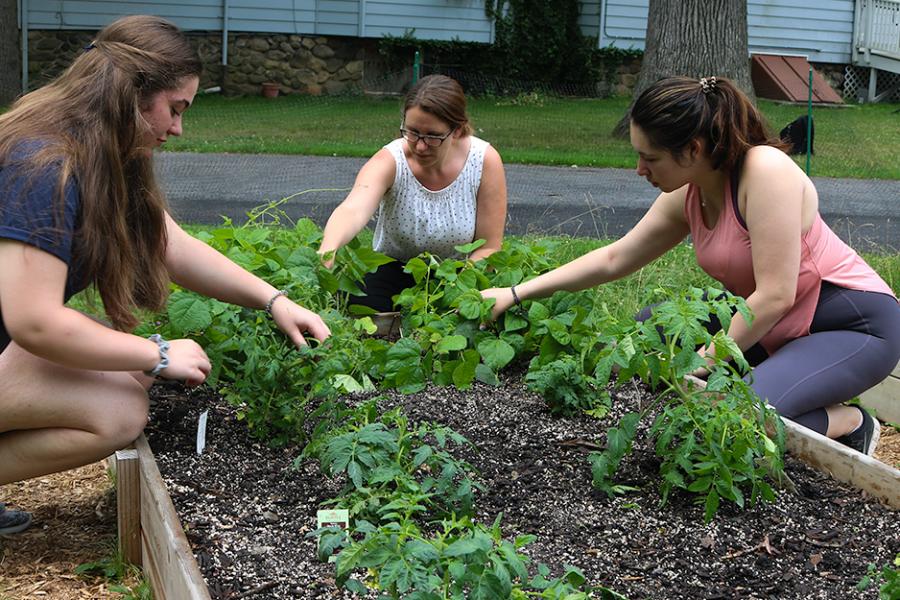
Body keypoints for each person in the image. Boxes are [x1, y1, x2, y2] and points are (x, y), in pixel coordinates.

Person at [0, 15, 330, 532]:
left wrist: (274, 300)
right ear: (130, 95)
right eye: (175, 109)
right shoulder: (42, 166)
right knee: (120, 412)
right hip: (12, 342)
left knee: (127, 374)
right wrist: (157, 353)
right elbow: (35, 322)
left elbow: (169, 244)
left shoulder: (96, 151)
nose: (177, 128)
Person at [481, 76, 900, 456]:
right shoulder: (691, 189)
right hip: (776, 327)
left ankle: (850, 422)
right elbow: (615, 257)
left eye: (651, 158)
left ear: (694, 149)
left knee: (727, 415)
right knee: (647, 334)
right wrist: (516, 292)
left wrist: (706, 359)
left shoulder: (765, 173)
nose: (639, 169)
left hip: (850, 326)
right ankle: (787, 386)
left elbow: (775, 294)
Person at [318, 74, 508, 312]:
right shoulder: (391, 160)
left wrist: (457, 290)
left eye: (433, 136)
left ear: (457, 130)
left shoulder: (484, 161)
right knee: (358, 306)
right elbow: (353, 209)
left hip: (458, 274)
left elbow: (489, 247)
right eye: (413, 132)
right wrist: (329, 247)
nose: (420, 145)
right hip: (393, 270)